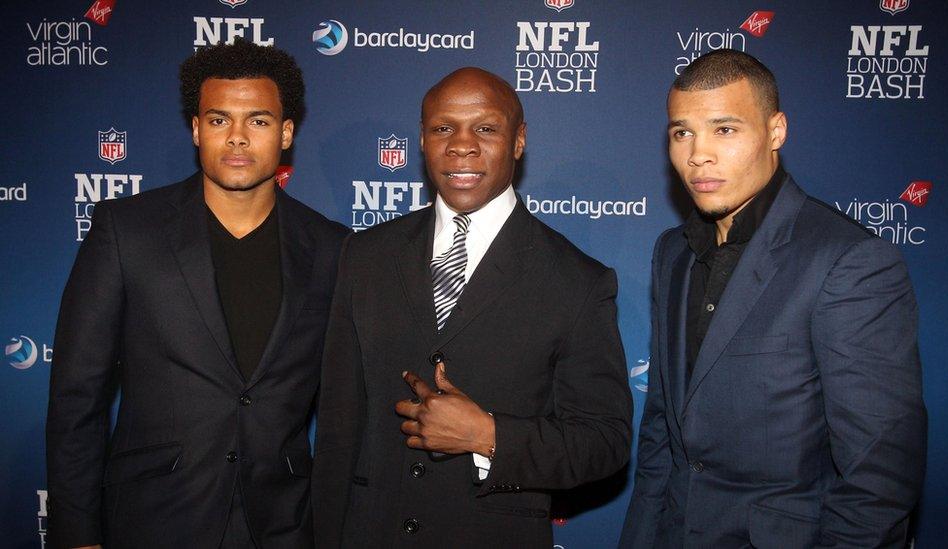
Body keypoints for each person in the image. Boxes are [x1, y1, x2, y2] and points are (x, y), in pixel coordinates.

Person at [312, 67, 632, 548]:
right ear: (422, 140)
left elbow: (604, 442)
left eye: (485, 128)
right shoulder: (365, 256)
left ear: (519, 140)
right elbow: (338, 429)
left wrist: (489, 435)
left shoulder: (577, 280)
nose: (462, 145)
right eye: (443, 128)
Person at [46, 41, 348, 549]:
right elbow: (78, 395)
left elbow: (348, 402)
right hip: (153, 519)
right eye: (217, 120)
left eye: (257, 121)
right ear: (195, 129)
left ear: (286, 132)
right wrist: (77, 533)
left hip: (283, 524)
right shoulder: (127, 231)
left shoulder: (332, 247)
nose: (236, 138)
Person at [619, 49, 926, 548]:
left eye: (725, 129)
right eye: (682, 133)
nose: (698, 154)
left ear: (776, 131)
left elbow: (878, 480)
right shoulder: (672, 253)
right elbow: (662, 434)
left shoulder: (849, 261)